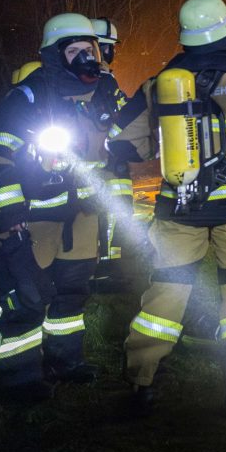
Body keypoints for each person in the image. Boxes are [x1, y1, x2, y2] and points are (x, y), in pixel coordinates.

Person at [106, 0, 226, 417]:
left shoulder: (159, 83)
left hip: (177, 209)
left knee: (165, 295)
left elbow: (122, 141)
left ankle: (142, 383)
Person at [0, 13, 126, 400]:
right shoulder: (28, 96)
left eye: (90, 49)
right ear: (55, 55)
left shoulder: (105, 89)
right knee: (27, 297)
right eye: (74, 50)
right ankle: (17, 377)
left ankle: (65, 361)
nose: (86, 57)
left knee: (71, 293)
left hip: (83, 216)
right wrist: (9, 212)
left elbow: (123, 137)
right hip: (36, 218)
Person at [90, 17, 131, 283]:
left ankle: (108, 261)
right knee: (111, 206)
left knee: (115, 207)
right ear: (103, 47)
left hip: (107, 155)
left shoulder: (103, 78)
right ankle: (104, 264)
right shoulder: (100, 79)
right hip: (106, 157)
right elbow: (118, 112)